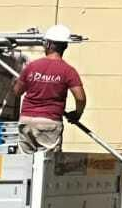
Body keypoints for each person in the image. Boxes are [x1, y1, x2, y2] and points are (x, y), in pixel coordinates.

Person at [13, 24, 86, 156]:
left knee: (25, 164)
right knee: (47, 165)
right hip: (49, 123)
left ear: (48, 44)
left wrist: (18, 82)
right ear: (65, 46)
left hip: (27, 121)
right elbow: (80, 98)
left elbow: (17, 92)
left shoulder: (32, 67)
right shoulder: (68, 71)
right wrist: (76, 114)